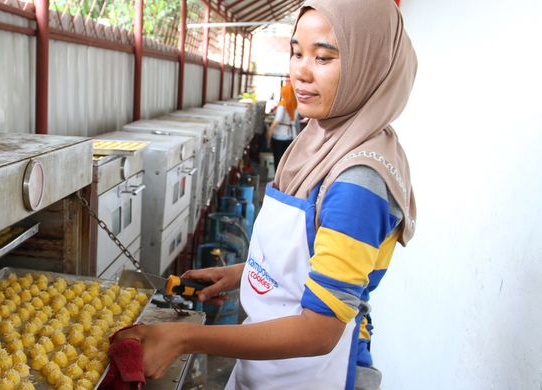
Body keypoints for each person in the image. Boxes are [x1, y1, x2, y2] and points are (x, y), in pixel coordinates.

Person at [113, 0, 417, 389]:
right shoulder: (318, 141)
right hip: (267, 367)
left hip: (308, 376)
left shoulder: (359, 180)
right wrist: (244, 274)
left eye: (323, 58)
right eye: (296, 52)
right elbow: (309, 260)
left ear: (369, 65)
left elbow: (318, 330)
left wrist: (184, 337)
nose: (301, 72)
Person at [265, 77, 299, 169]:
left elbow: (278, 119)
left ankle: (277, 180)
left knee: (278, 160)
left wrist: (269, 131)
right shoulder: (295, 104)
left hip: (279, 136)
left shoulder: (283, 104)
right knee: (286, 162)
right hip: (291, 135)